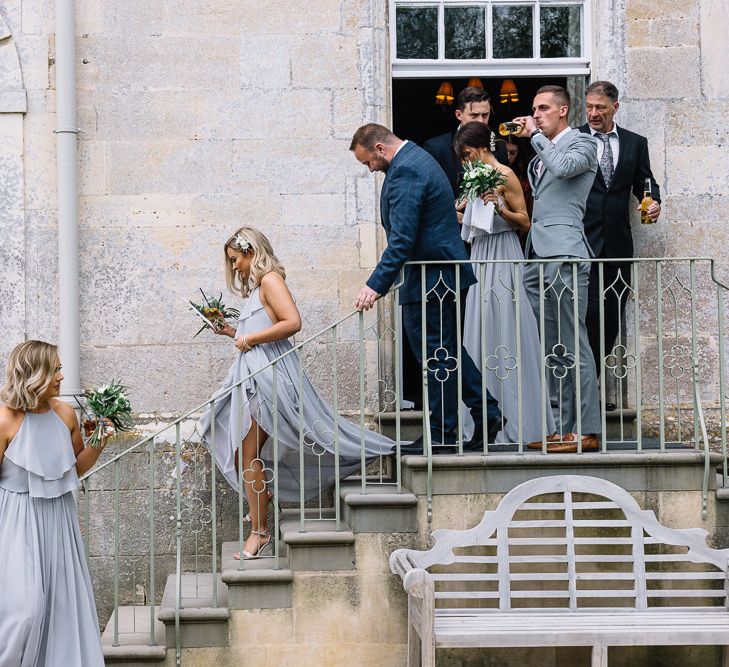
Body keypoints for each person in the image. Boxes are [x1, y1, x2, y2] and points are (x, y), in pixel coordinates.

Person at [199, 227, 393, 558]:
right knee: (239, 453)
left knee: (247, 455)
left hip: (269, 379)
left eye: (235, 260)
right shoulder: (259, 287)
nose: (234, 268)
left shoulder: (271, 279)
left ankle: (259, 533)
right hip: (254, 376)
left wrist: (250, 339)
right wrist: (232, 331)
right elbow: (261, 329)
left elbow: (293, 322)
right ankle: (262, 500)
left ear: (250, 252)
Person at [349, 123, 502, 452]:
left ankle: (445, 433)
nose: (370, 170)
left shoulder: (407, 170)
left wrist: (375, 285)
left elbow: (403, 238)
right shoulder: (416, 159)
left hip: (435, 278)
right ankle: (483, 413)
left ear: (380, 149)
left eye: (368, 163)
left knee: (436, 357)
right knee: (445, 355)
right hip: (437, 276)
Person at [0, 340, 108, 666]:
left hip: (59, 518)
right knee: (24, 611)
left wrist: (99, 443)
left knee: (62, 608)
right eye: (56, 369)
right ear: (35, 374)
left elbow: (73, 467)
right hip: (16, 521)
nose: (62, 376)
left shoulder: (65, 414)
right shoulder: (5, 419)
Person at [453, 122, 555, 445]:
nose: (466, 161)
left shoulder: (506, 174)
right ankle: (483, 416)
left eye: (467, 154)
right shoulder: (471, 176)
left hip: (503, 253)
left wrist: (498, 205)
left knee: (508, 326)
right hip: (480, 253)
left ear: (484, 147)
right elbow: (468, 219)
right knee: (480, 328)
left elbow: (524, 220)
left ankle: (519, 417)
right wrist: (462, 210)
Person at [513, 85, 601, 453]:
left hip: (565, 253)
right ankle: (563, 427)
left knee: (572, 341)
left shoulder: (583, 144)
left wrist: (534, 136)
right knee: (553, 346)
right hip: (538, 254)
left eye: (544, 109)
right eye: (534, 110)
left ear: (564, 110)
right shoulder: (540, 150)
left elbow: (563, 169)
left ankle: (586, 429)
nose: (537, 115)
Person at [579, 81, 661, 388]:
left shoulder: (635, 143)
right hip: (582, 244)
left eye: (600, 107)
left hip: (617, 246)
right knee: (584, 318)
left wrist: (654, 204)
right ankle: (578, 392)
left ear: (615, 107)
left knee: (610, 320)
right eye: (588, 106)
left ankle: (591, 384)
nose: (593, 113)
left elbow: (646, 183)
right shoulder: (574, 139)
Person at [423, 86, 509, 199]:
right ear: (459, 115)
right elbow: (428, 193)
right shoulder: (436, 148)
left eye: (485, 115)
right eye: (474, 115)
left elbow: (506, 190)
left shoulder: (499, 146)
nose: (481, 121)